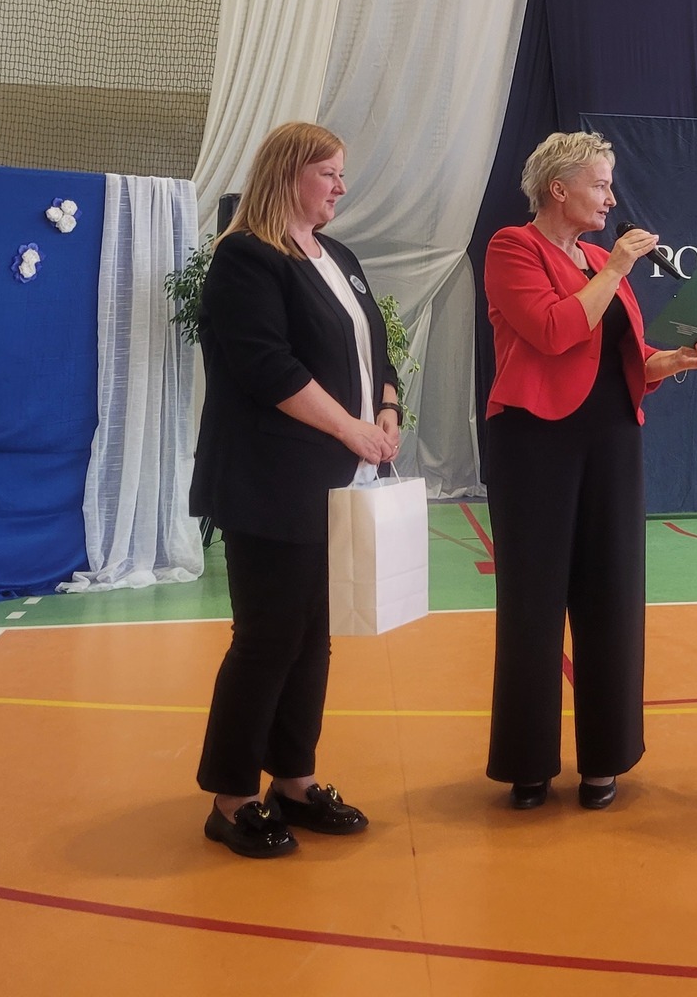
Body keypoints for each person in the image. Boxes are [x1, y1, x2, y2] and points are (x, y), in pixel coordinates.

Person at [480, 131, 697, 811]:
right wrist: (614, 270)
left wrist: (676, 361)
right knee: (533, 603)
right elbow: (554, 332)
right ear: (558, 189)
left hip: (612, 438)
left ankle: (605, 759)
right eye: (601, 185)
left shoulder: (594, 259)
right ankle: (528, 763)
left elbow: (626, 358)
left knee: (612, 595)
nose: (612, 198)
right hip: (535, 441)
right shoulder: (513, 247)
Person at [190, 121, 400, 857]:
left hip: (332, 483)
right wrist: (350, 428)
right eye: (329, 173)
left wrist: (386, 409)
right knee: (268, 638)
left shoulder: (339, 257)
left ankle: (294, 779)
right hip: (268, 482)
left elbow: (376, 347)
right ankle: (231, 797)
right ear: (287, 175)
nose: (342, 186)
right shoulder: (246, 257)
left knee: (312, 637)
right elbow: (268, 367)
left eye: (341, 173)